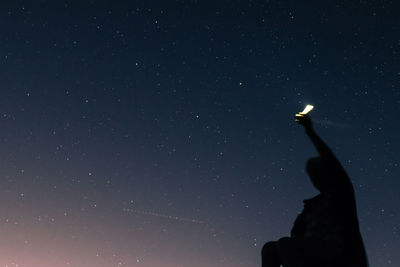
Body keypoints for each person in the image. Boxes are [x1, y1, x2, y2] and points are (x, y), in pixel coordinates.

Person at [261, 113, 368, 267]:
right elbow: (296, 232)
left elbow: (330, 158)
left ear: (327, 172)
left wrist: (309, 131)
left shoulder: (342, 193)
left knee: (286, 245)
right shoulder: (311, 206)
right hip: (310, 253)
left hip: (338, 252)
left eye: (317, 172)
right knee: (269, 248)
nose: (314, 178)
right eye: (312, 175)